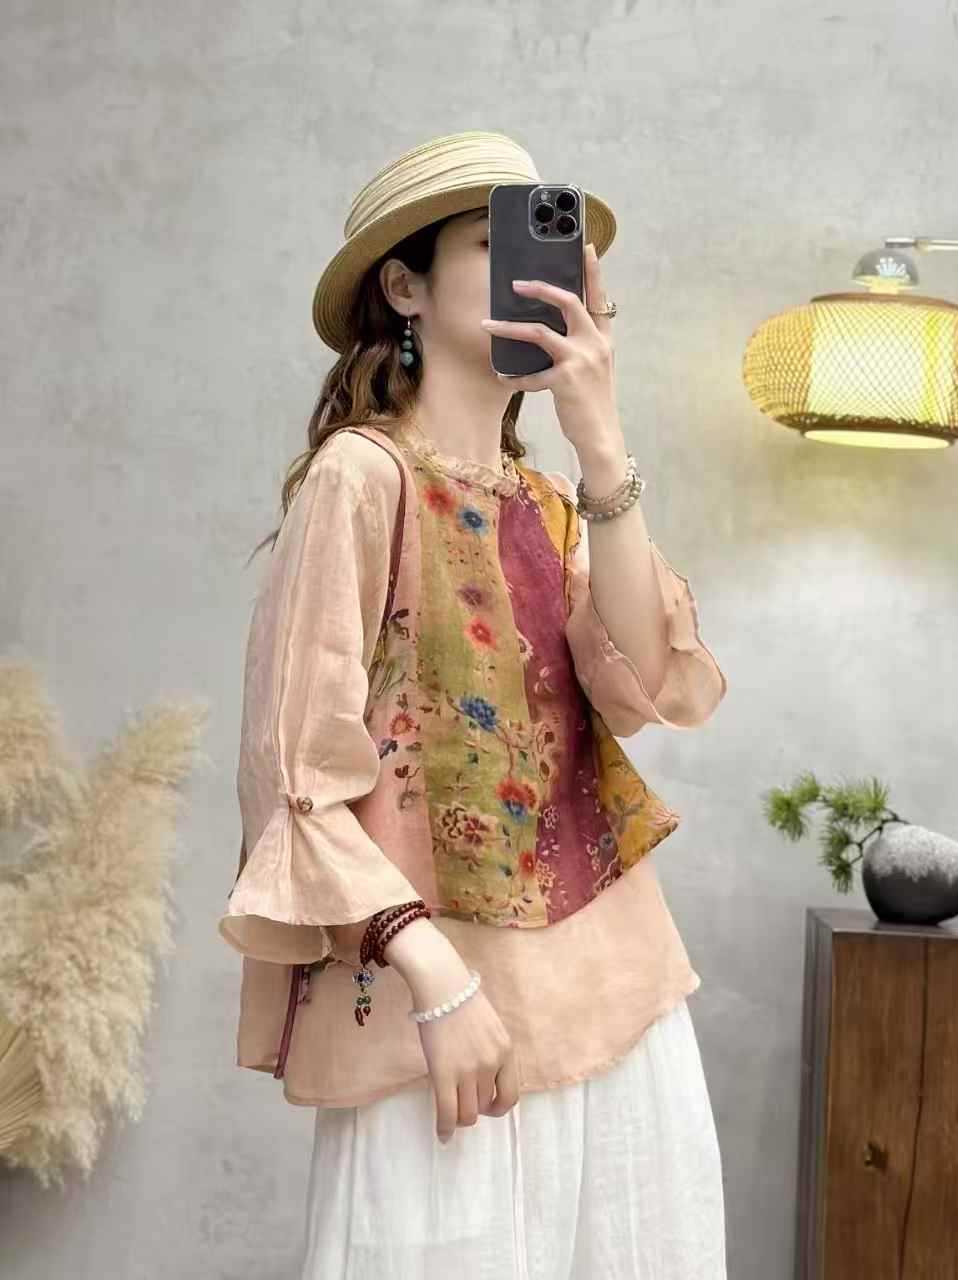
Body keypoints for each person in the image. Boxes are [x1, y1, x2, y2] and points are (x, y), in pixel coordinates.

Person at [218, 129, 729, 1279]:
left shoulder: (550, 499)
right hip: (440, 1009)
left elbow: (649, 678)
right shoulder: (362, 477)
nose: (533, 274)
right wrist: (438, 981)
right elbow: (294, 774)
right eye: (493, 245)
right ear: (403, 286)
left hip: (622, 995)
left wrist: (601, 440)